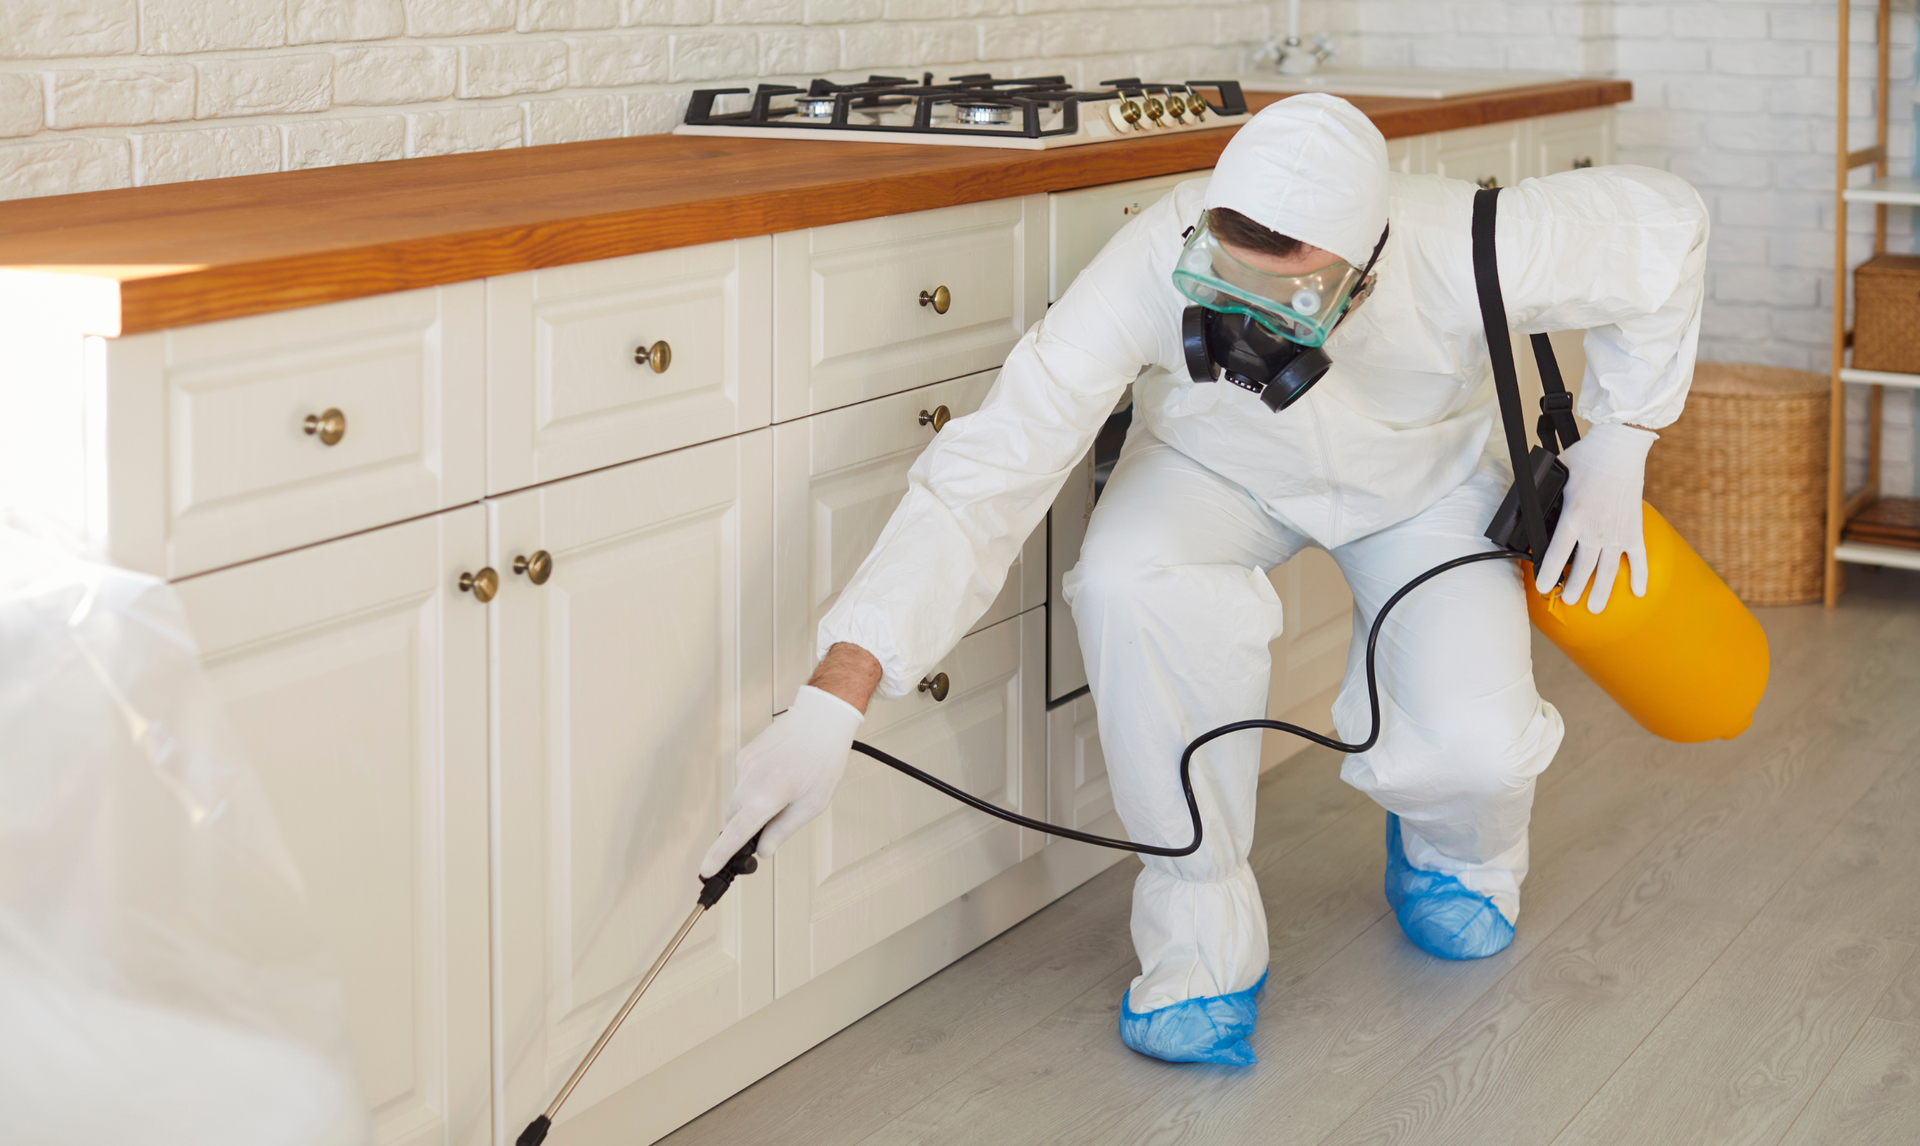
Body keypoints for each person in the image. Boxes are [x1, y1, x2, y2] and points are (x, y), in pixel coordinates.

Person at [700, 94, 1708, 1066]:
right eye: (1231, 282)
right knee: (1127, 583)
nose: (1254, 314)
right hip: (1211, 469)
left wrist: (1626, 438)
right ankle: (1200, 940)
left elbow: (1668, 228)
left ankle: (1455, 852)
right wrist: (837, 697)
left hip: (1422, 483)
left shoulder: (1471, 238)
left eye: (1294, 290)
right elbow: (991, 467)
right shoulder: (1149, 254)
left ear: (1367, 264)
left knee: (1480, 749)